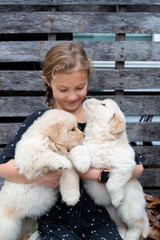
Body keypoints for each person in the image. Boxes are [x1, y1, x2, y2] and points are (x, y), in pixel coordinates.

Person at [0, 43, 145, 240]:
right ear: (48, 82)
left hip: (98, 218)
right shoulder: (40, 120)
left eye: (80, 87)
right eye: (63, 89)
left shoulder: (98, 117)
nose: (72, 96)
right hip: (55, 220)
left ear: (87, 80)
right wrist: (42, 176)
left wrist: (96, 175)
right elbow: (4, 166)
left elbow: (136, 166)